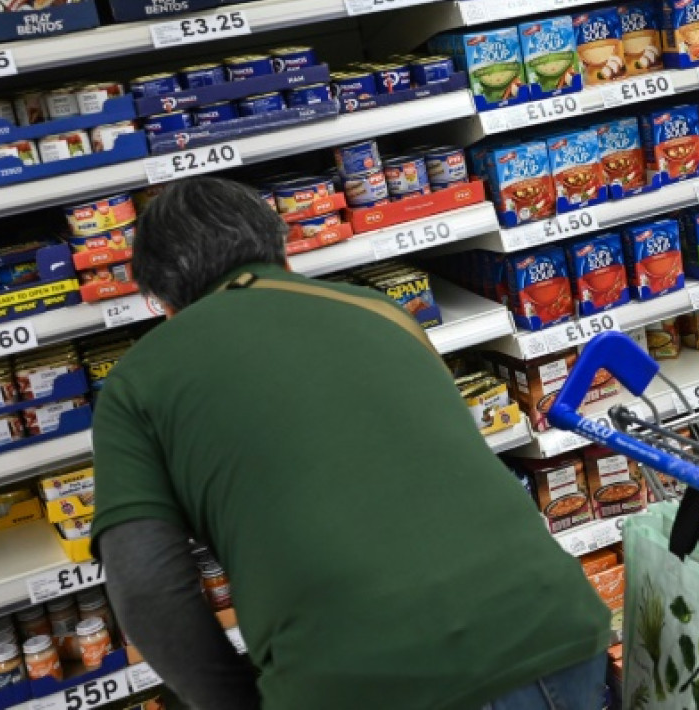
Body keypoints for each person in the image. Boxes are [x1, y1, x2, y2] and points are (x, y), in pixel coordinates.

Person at [92, 177, 611, 710]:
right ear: (282, 253)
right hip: (557, 631)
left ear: (162, 300)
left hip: (360, 682)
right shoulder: (383, 312)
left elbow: (147, 587)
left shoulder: (137, 382)